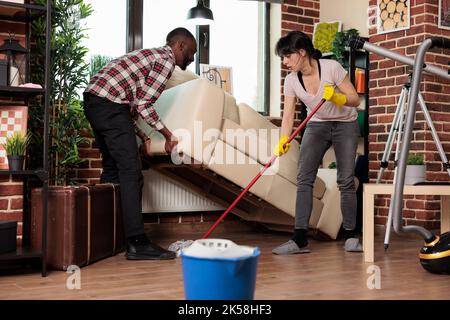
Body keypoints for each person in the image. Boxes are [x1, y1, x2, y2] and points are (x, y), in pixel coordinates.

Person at [83, 27, 197, 260]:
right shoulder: (165, 61)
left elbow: (130, 107)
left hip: (95, 101)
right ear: (180, 46)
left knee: (114, 169)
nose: (192, 59)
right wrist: (168, 135)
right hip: (108, 104)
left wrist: (144, 137)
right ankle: (137, 242)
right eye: (192, 53)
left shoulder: (150, 56)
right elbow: (144, 105)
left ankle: (108, 236)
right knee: (131, 172)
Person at [271, 31, 362, 255]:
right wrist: (283, 138)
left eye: (286, 56)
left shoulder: (331, 68)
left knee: (346, 180)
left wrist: (337, 97)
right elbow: (289, 115)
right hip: (317, 124)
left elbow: (355, 99)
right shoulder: (291, 80)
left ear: (302, 52)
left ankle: (351, 235)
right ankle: (300, 239)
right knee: (304, 178)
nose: (284, 62)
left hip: (345, 124)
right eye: (282, 57)